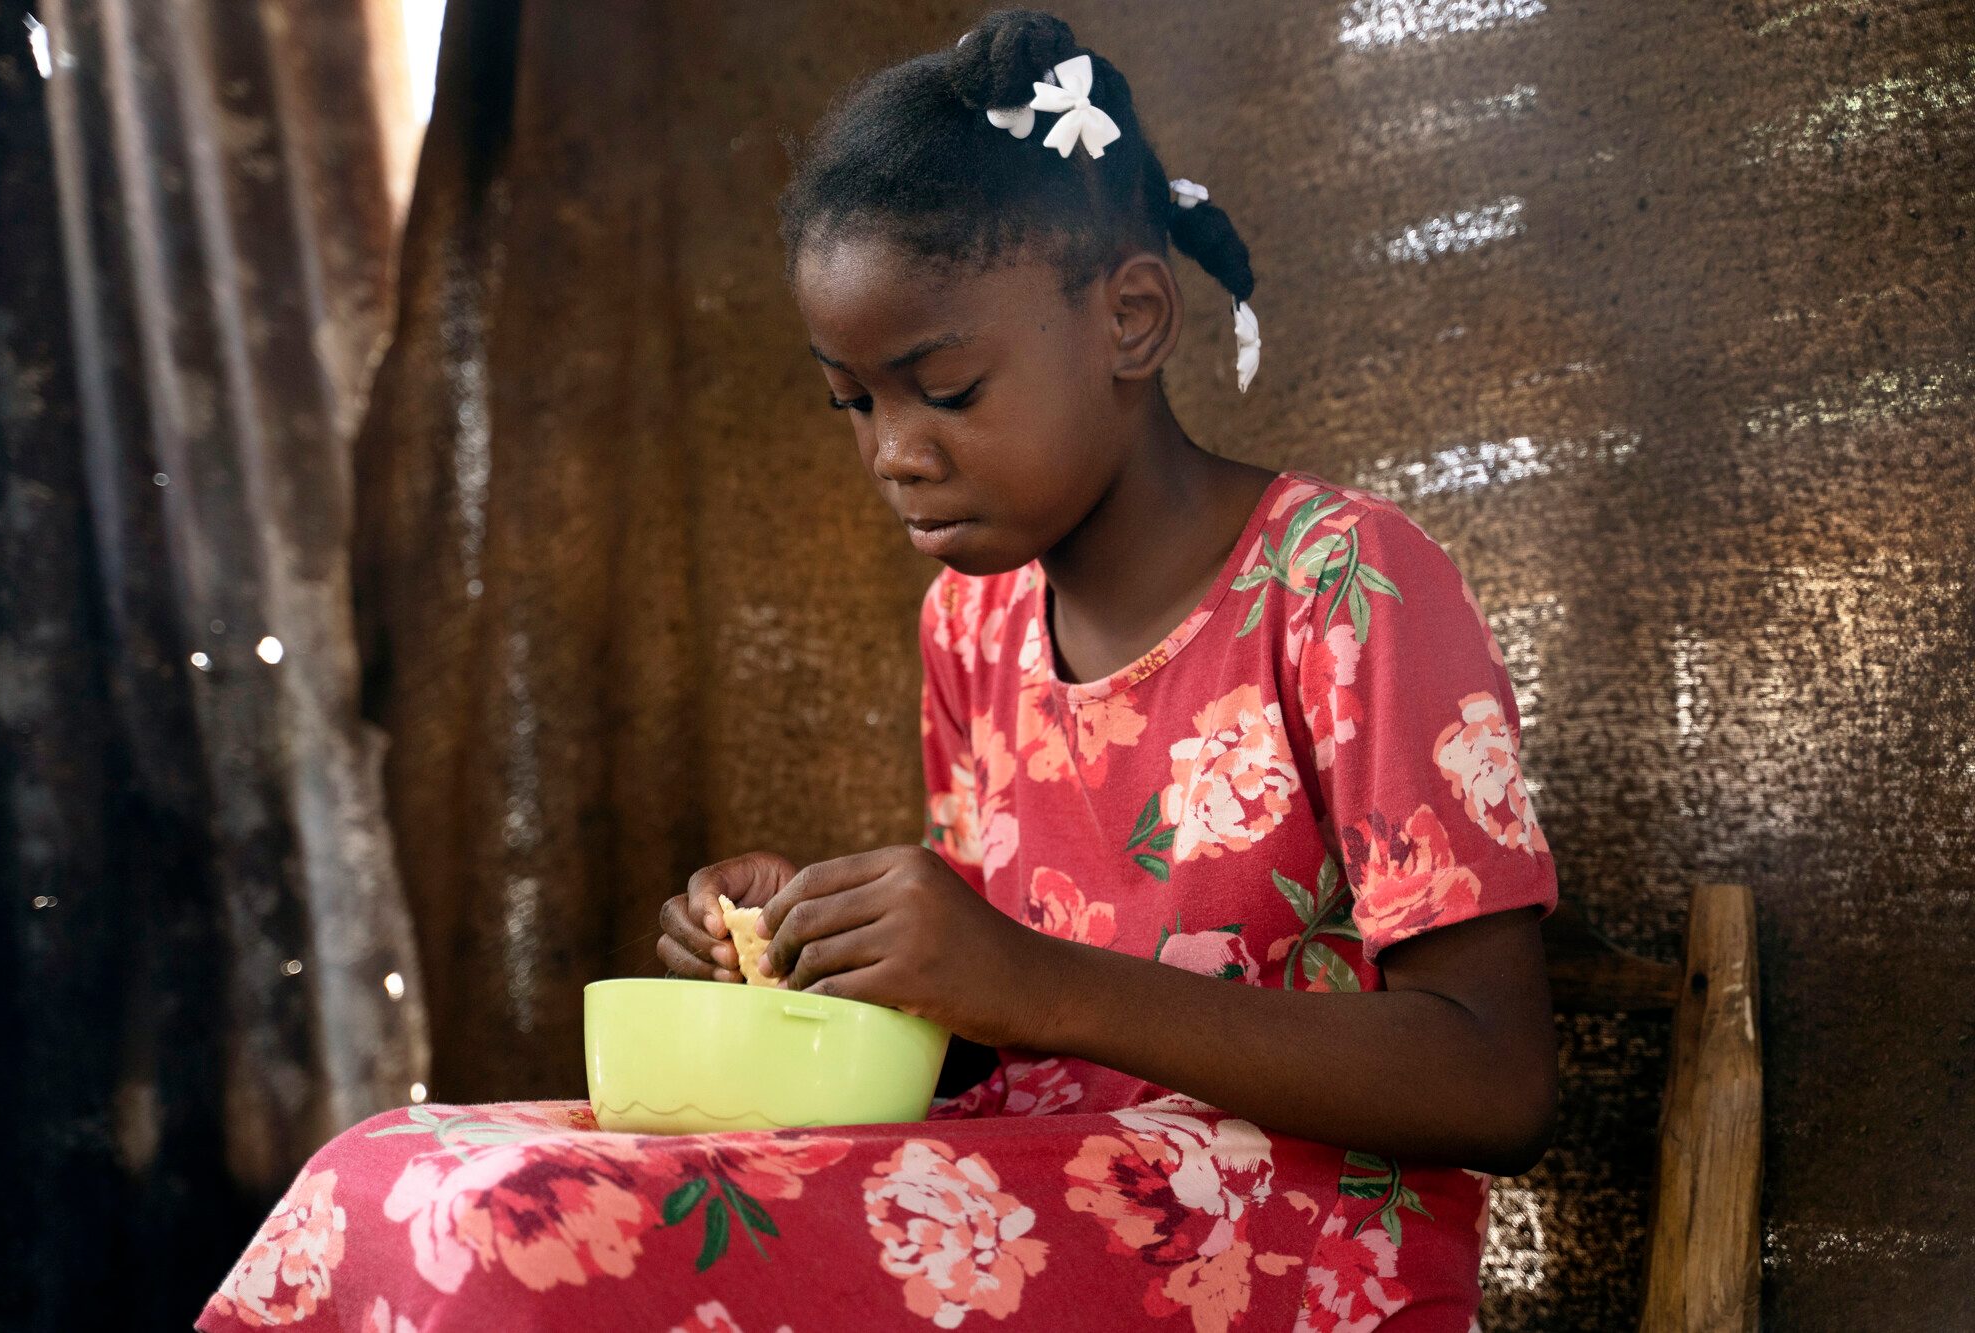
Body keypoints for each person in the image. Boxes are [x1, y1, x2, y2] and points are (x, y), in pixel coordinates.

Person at [199, 11, 1558, 1332]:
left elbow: (1496, 1077)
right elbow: (992, 1037)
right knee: (396, 1174)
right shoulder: (973, 628)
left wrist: (1032, 978)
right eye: (854, 400)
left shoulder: (1345, 586)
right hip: (1022, 1200)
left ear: (1132, 319)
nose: (892, 450)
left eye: (946, 389)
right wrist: (829, 959)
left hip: (1281, 1251)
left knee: (519, 1231)